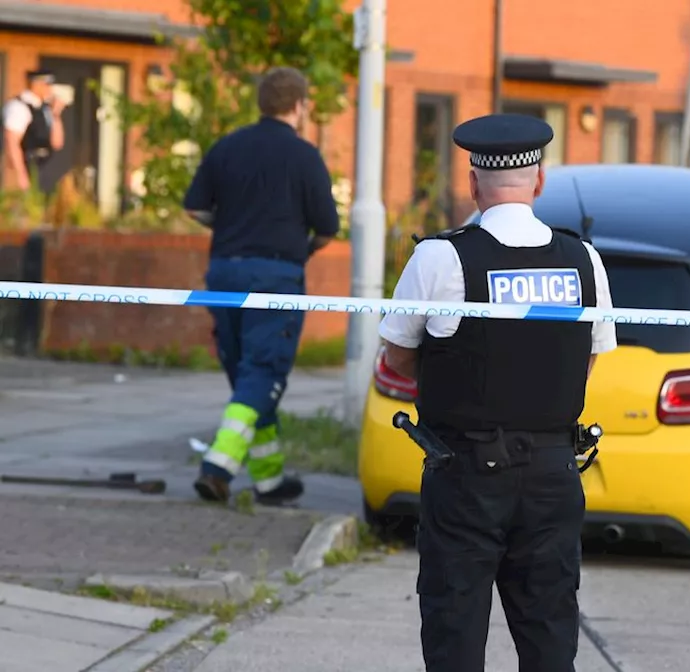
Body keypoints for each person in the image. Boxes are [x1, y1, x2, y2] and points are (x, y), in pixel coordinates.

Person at [378, 113, 617, 672]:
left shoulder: (441, 257)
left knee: (454, 632)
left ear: (473, 183)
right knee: (550, 637)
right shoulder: (585, 261)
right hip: (555, 476)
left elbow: (395, 355)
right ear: (539, 181)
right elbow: (588, 361)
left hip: (466, 475)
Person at [184, 66, 340, 506]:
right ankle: (218, 466)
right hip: (274, 276)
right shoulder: (305, 156)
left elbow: (195, 208)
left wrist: (231, 224)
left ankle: (269, 481)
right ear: (300, 106)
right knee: (264, 371)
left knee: (247, 375)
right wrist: (302, 246)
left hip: (224, 274)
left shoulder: (228, 147)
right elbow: (327, 228)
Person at [2, 69, 66, 193]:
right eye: (47, 85)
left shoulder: (45, 109)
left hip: (42, 169)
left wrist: (56, 115)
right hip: (24, 167)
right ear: (35, 84)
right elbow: (12, 142)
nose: (50, 89)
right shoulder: (19, 107)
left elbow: (57, 143)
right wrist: (21, 174)